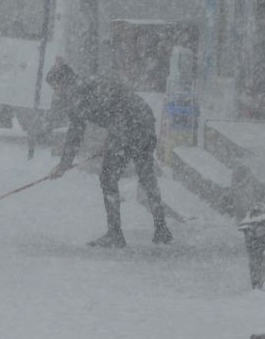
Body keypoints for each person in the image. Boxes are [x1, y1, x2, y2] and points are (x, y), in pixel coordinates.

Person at [45, 60, 172, 248]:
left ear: (64, 82)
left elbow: (78, 131)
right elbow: (81, 128)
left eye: (55, 87)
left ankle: (115, 234)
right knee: (146, 175)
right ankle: (162, 229)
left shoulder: (78, 94)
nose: (56, 92)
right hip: (144, 120)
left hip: (132, 125)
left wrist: (116, 138)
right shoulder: (87, 86)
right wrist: (64, 164)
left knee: (108, 177)